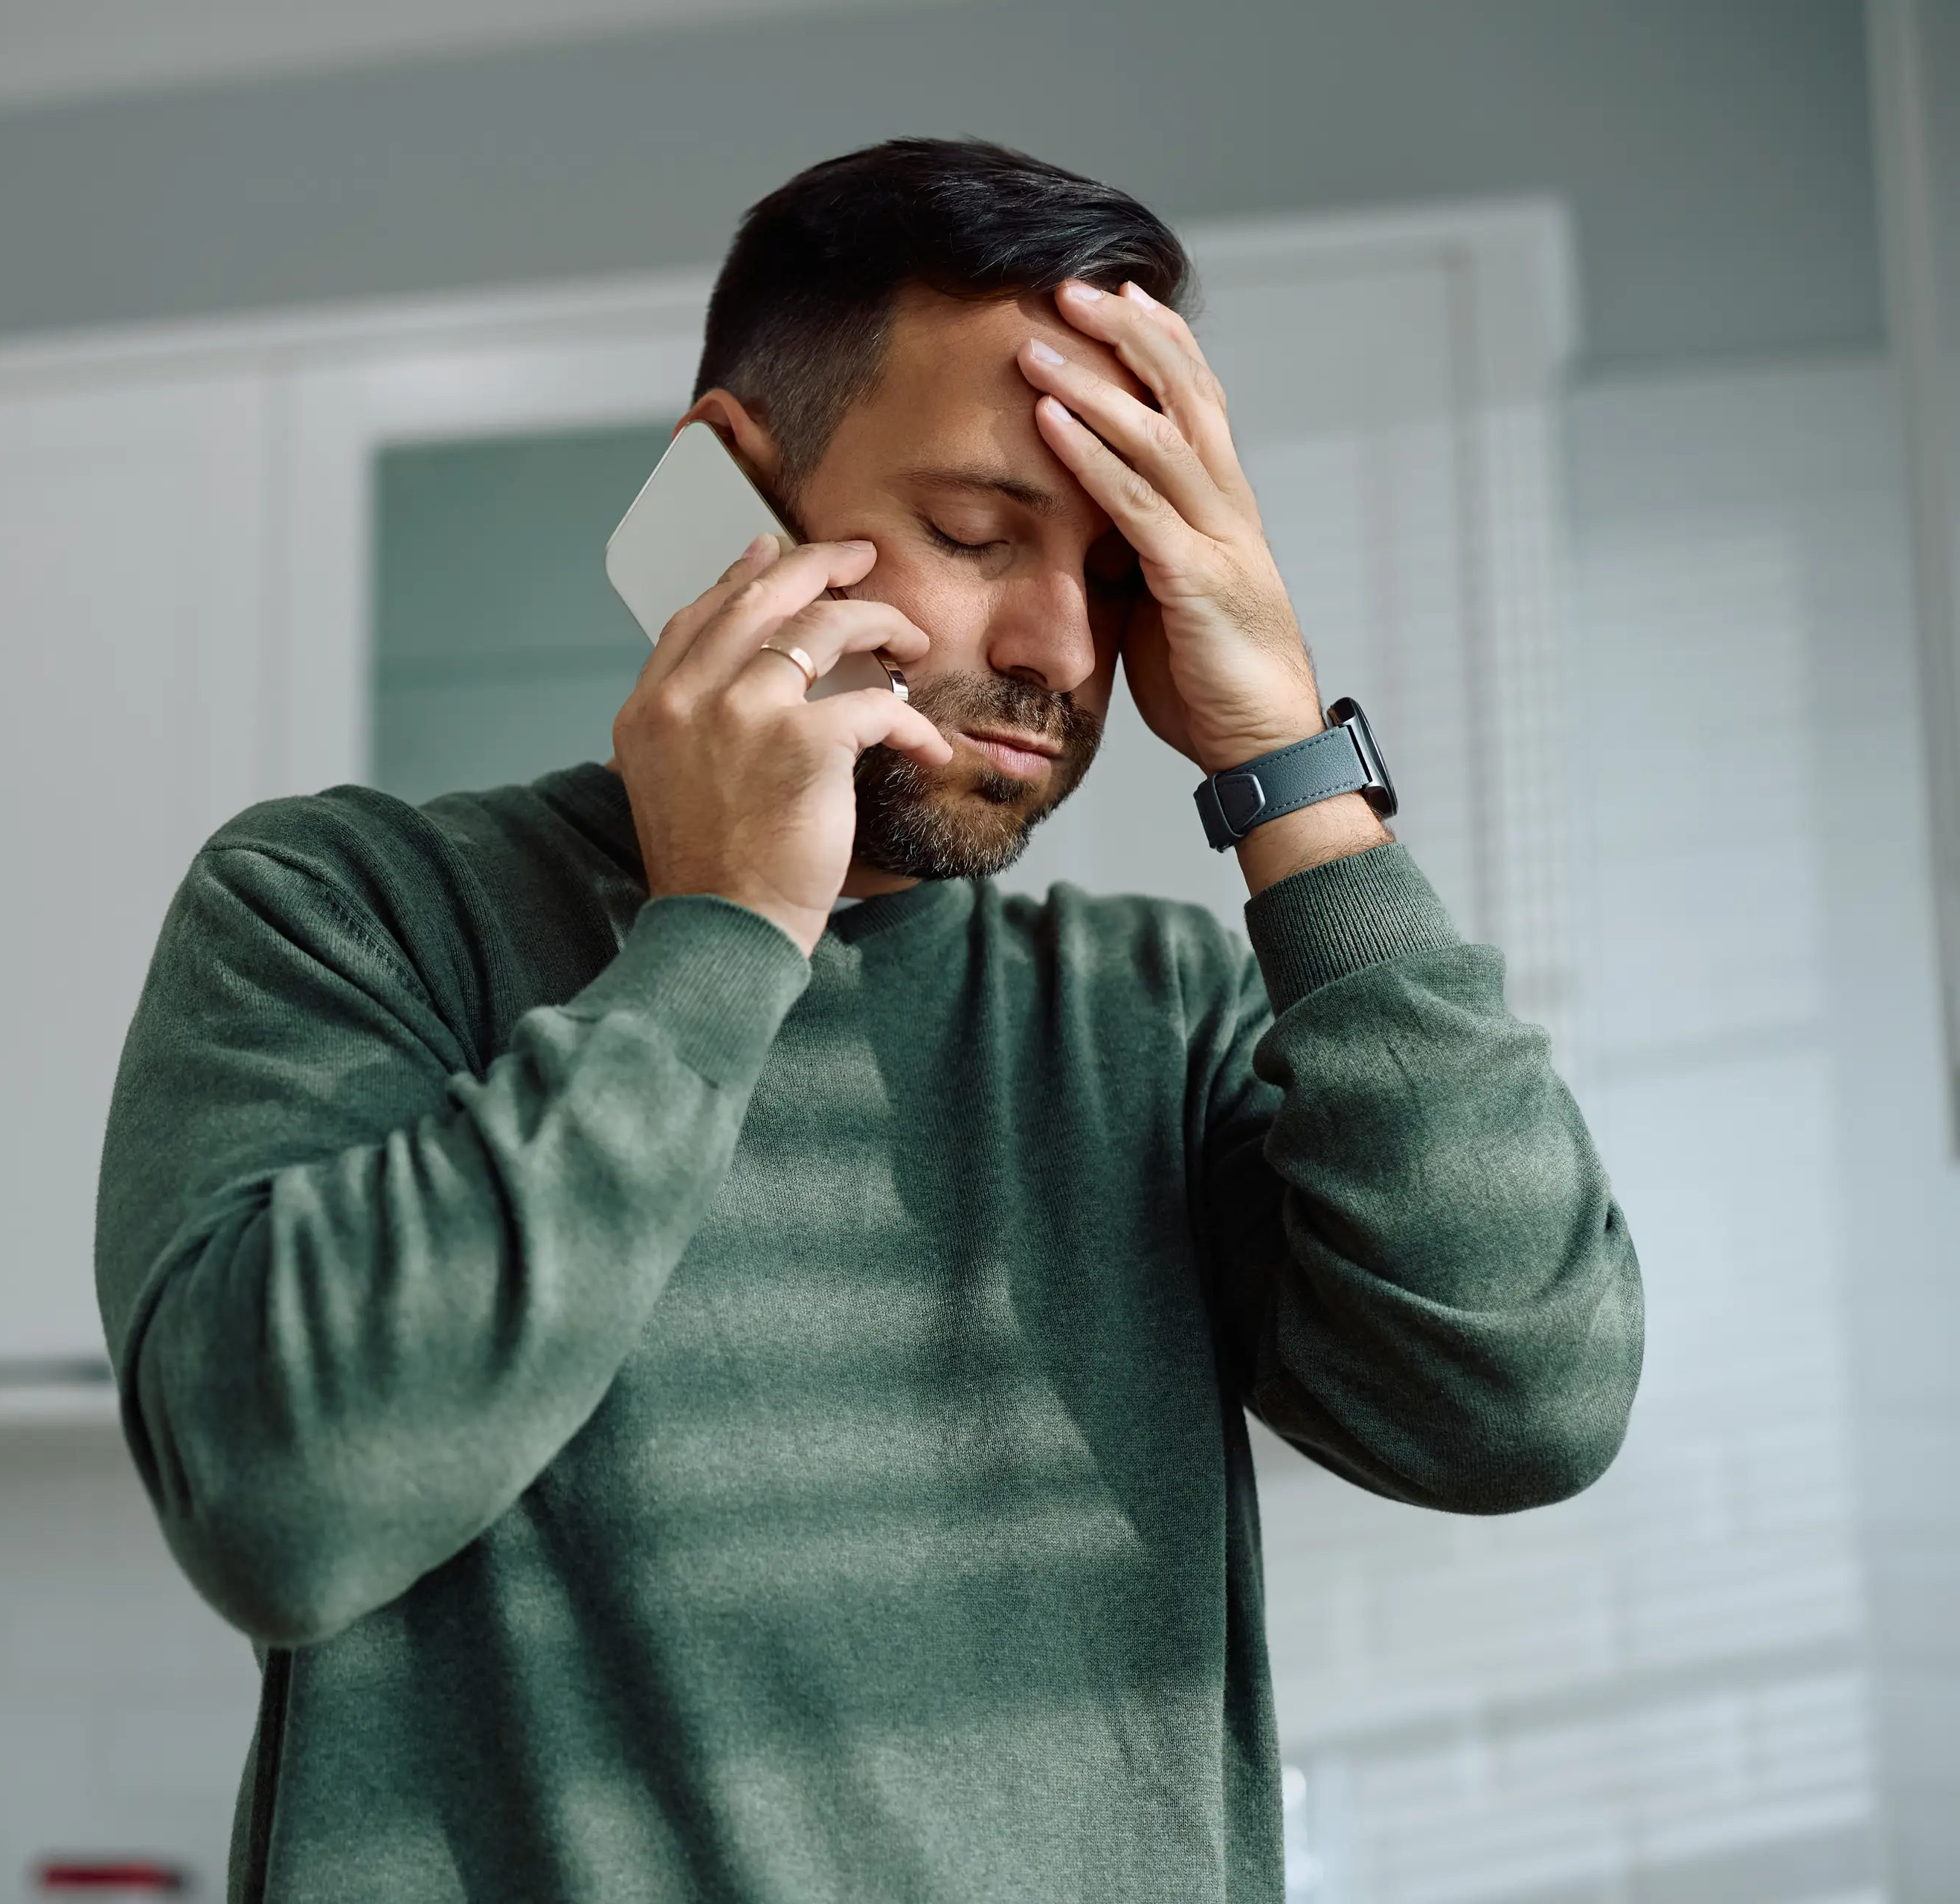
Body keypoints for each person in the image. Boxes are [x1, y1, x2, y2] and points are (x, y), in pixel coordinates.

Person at [94, 138, 1642, 1903]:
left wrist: (1290, 766)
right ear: (731, 495)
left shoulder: (1158, 1018)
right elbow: (282, 1500)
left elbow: (1524, 1400)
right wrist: (726, 925)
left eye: (1121, 571)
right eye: (978, 532)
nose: (1063, 646)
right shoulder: (354, 911)